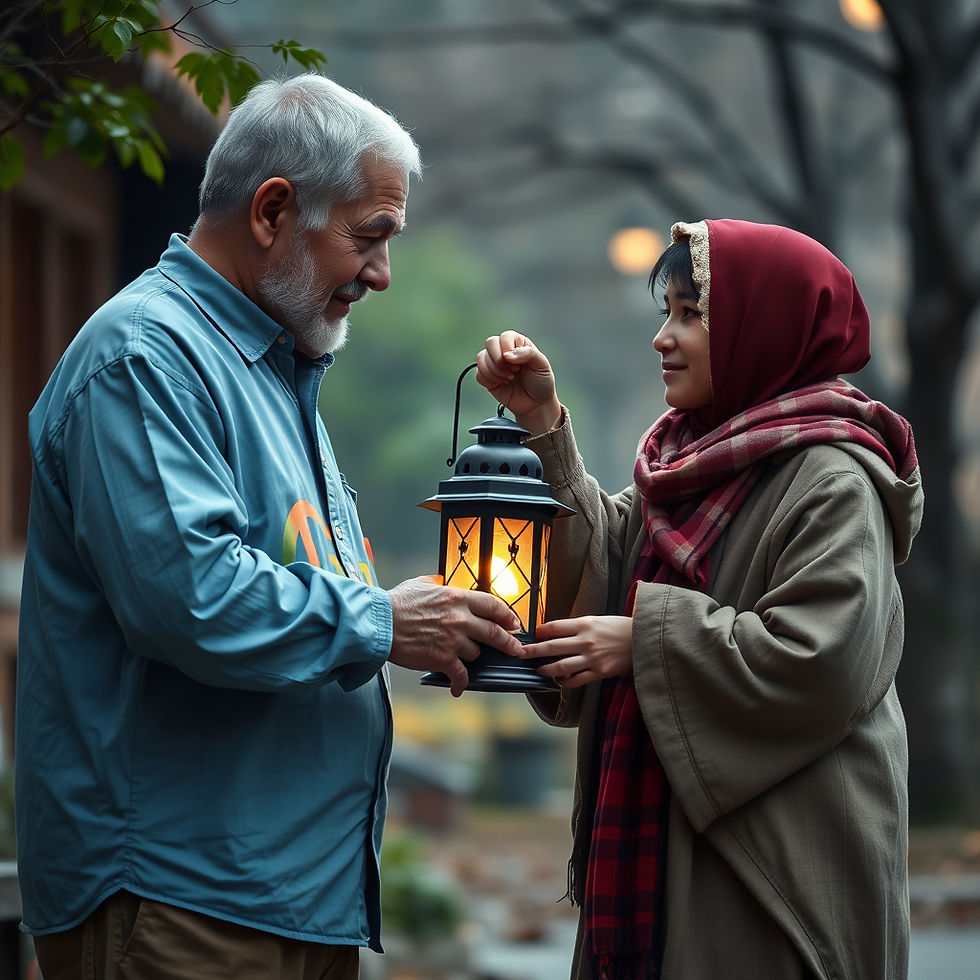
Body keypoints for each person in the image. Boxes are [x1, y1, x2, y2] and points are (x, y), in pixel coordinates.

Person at [15, 73, 524, 980]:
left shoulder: (271, 367)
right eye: (370, 237)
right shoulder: (147, 356)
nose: (382, 274)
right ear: (273, 211)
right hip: (180, 898)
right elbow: (191, 597)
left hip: (282, 897)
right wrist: (384, 622)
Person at [477, 218, 923, 980]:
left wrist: (641, 640)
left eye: (693, 313)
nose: (664, 336)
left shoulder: (834, 478)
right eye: (666, 312)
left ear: (767, 329)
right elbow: (610, 561)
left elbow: (824, 659)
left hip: (774, 876)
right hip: (663, 850)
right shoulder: (684, 460)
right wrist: (544, 428)